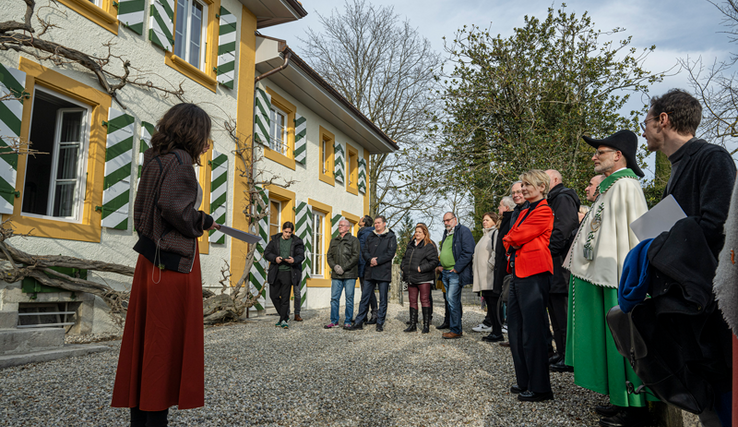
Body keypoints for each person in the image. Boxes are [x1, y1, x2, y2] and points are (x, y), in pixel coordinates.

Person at [112, 103, 219, 427]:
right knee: (162, 352)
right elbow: (176, 210)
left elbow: (146, 211)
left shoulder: (154, 160)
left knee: (147, 350)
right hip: (172, 268)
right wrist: (204, 219)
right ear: (194, 132)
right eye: (206, 135)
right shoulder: (182, 163)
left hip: (150, 263)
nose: (206, 142)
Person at [641, 89, 735, 426]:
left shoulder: (712, 158)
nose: (644, 130)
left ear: (663, 121)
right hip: (687, 296)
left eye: (647, 122)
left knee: (722, 380)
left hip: (711, 299)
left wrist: (659, 240)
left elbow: (718, 223)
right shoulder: (677, 168)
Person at [565, 129, 650, 427]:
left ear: (618, 155)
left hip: (617, 278)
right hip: (602, 274)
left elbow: (636, 237)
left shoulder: (626, 186)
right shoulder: (611, 188)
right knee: (612, 345)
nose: (594, 156)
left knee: (625, 343)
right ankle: (619, 398)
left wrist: (631, 279)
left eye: (600, 152)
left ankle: (636, 409)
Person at [502, 170, 555, 402]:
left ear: (542, 186)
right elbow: (511, 235)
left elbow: (515, 236)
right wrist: (513, 238)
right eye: (522, 185)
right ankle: (525, 380)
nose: (523, 189)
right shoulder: (526, 211)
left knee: (532, 332)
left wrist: (513, 238)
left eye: (527, 185)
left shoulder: (544, 210)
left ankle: (541, 387)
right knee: (515, 330)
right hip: (517, 273)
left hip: (534, 274)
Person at [544, 170, 580, 373]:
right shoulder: (553, 200)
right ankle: (561, 351)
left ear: (556, 180)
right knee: (555, 316)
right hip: (553, 267)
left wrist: (547, 251)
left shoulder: (563, 198)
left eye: (545, 179)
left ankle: (569, 356)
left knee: (564, 314)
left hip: (561, 266)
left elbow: (563, 229)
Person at [346, 216, 397, 332]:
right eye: (375, 223)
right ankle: (359, 322)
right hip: (370, 270)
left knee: (383, 299)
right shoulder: (371, 235)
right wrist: (370, 260)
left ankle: (380, 323)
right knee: (365, 297)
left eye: (379, 223)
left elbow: (390, 253)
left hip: (383, 271)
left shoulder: (391, 236)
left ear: (384, 224)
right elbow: (364, 251)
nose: (377, 225)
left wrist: (377, 261)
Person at [436, 212, 475, 339]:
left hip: (454, 273)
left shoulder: (463, 231)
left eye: (448, 220)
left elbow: (468, 251)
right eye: (444, 221)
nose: (446, 223)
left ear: (455, 219)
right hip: (445, 272)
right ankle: (455, 326)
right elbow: (445, 251)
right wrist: (440, 264)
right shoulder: (446, 233)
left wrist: (457, 269)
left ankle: (456, 330)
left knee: (453, 301)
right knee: (450, 300)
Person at [263, 222, 305, 329]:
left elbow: (301, 256)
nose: (287, 234)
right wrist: (275, 258)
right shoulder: (275, 240)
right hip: (275, 272)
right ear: (282, 230)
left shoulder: (297, 241)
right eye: (286, 232)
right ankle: (284, 315)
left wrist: (294, 260)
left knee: (285, 298)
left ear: (292, 232)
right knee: (273, 296)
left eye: (290, 233)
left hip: (289, 272)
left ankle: (283, 320)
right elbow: (266, 253)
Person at [400, 223, 439, 333]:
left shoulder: (429, 246)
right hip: (411, 277)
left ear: (424, 233)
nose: (417, 234)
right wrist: (403, 266)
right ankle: (413, 324)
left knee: (424, 300)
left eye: (419, 232)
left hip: (424, 277)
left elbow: (434, 261)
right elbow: (404, 258)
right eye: (416, 232)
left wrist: (421, 268)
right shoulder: (410, 245)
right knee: (412, 301)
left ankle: (426, 325)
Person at [471, 212, 503, 341]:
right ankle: (494, 331)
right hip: (483, 277)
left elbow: (497, 251)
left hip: (490, 276)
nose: (484, 222)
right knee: (490, 305)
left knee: (494, 305)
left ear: (494, 221)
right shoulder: (485, 235)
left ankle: (497, 332)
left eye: (487, 220)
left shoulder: (495, 233)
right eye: (483, 220)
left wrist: (490, 265)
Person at [324, 219, 360, 329]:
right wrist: (334, 266)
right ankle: (334, 321)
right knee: (334, 298)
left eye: (342, 225)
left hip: (349, 274)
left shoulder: (354, 240)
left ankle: (348, 321)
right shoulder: (333, 241)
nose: (340, 227)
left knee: (349, 298)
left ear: (348, 227)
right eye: (339, 225)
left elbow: (355, 256)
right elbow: (329, 256)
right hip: (336, 275)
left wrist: (343, 268)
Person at [357, 215, 378, 325]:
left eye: (361, 219)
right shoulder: (363, 232)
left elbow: (364, 251)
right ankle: (365, 315)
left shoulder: (365, 233)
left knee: (368, 292)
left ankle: (374, 314)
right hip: (363, 265)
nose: (359, 220)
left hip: (365, 266)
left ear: (364, 222)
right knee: (366, 291)